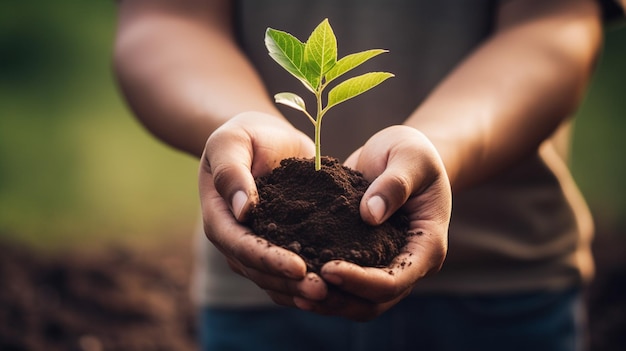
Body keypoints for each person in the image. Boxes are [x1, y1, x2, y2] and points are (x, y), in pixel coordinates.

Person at [113, 0, 623, 350]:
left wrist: (436, 152)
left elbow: (554, 22)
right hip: (259, 296)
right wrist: (243, 130)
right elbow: (165, 17)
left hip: (505, 292)